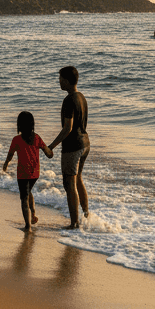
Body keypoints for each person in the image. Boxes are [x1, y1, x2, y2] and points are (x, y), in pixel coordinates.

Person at [47, 66, 90, 228]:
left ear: (66, 80)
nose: (59, 81)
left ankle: (74, 223)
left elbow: (68, 128)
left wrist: (51, 146)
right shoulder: (81, 97)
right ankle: (86, 216)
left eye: (60, 79)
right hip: (85, 143)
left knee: (69, 183)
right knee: (78, 178)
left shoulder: (69, 100)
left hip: (73, 146)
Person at [3, 111, 53, 231]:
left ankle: (28, 226)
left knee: (24, 198)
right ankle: (33, 214)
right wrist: (51, 150)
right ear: (32, 124)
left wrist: (6, 164)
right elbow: (49, 154)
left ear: (19, 125)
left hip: (23, 174)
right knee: (28, 191)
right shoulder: (37, 138)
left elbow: (10, 155)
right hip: (35, 173)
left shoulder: (16, 139)